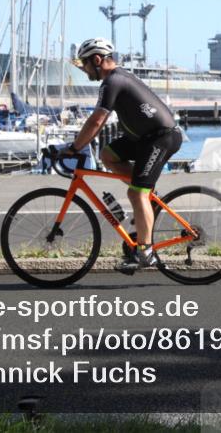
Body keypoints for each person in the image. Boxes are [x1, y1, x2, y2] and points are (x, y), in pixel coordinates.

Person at [65, 37, 182, 274]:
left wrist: (75, 147)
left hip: (161, 138)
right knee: (108, 155)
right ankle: (147, 197)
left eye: (85, 64)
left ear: (97, 60)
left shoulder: (112, 82)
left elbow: (98, 120)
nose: (84, 69)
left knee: (135, 193)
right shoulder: (115, 79)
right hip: (145, 137)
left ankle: (146, 252)